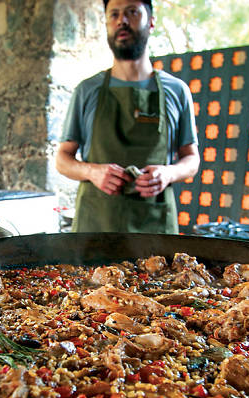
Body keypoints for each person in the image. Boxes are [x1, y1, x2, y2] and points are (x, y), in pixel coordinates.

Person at [56, 0, 200, 234]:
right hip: (96, 227)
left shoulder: (177, 90)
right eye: (114, 14)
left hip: (154, 225)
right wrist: (92, 172)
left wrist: (168, 173)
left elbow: (192, 160)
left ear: (151, 22)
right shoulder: (87, 90)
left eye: (132, 12)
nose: (121, 20)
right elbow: (62, 159)